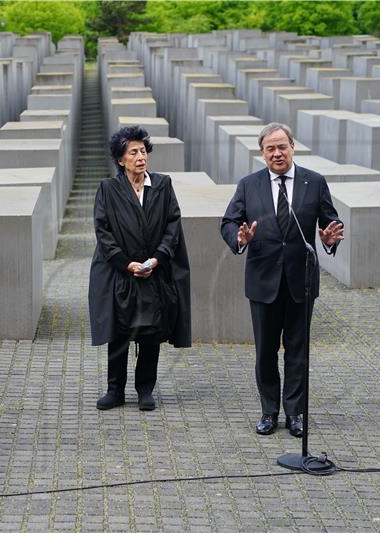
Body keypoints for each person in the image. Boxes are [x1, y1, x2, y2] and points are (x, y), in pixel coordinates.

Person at [220, 122, 344, 437]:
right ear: (262, 154)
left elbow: (330, 221)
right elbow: (229, 221)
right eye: (270, 149)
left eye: (282, 147)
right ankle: (269, 412)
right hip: (263, 281)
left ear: (292, 147)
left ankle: (296, 414)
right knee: (265, 351)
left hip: (301, 280)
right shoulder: (249, 185)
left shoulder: (314, 182)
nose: (277, 153)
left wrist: (329, 238)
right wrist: (240, 236)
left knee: (298, 350)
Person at [89, 125, 191, 411]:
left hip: (153, 271)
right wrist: (125, 263)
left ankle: (145, 389)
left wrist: (157, 258)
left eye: (143, 151)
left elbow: (173, 224)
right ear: (121, 160)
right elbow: (103, 231)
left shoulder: (162, 184)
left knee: (150, 333)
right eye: (133, 152)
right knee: (119, 333)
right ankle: (115, 390)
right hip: (122, 272)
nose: (140, 157)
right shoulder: (108, 189)